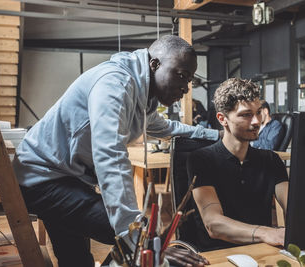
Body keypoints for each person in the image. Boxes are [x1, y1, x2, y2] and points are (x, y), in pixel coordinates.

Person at [13, 35, 219, 267]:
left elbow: (164, 127)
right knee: (132, 239)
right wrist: (140, 240)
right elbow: (110, 155)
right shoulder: (115, 83)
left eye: (189, 80)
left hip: (65, 177)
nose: (185, 87)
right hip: (41, 178)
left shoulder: (142, 96)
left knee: (77, 258)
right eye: (181, 75)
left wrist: (215, 135)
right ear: (154, 64)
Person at [187, 78, 289, 251]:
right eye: (246, 114)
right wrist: (266, 233)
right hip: (218, 255)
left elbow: (292, 208)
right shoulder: (202, 159)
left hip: (263, 252)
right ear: (222, 119)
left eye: (258, 112)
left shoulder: (271, 160)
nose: (256, 121)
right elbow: (214, 224)